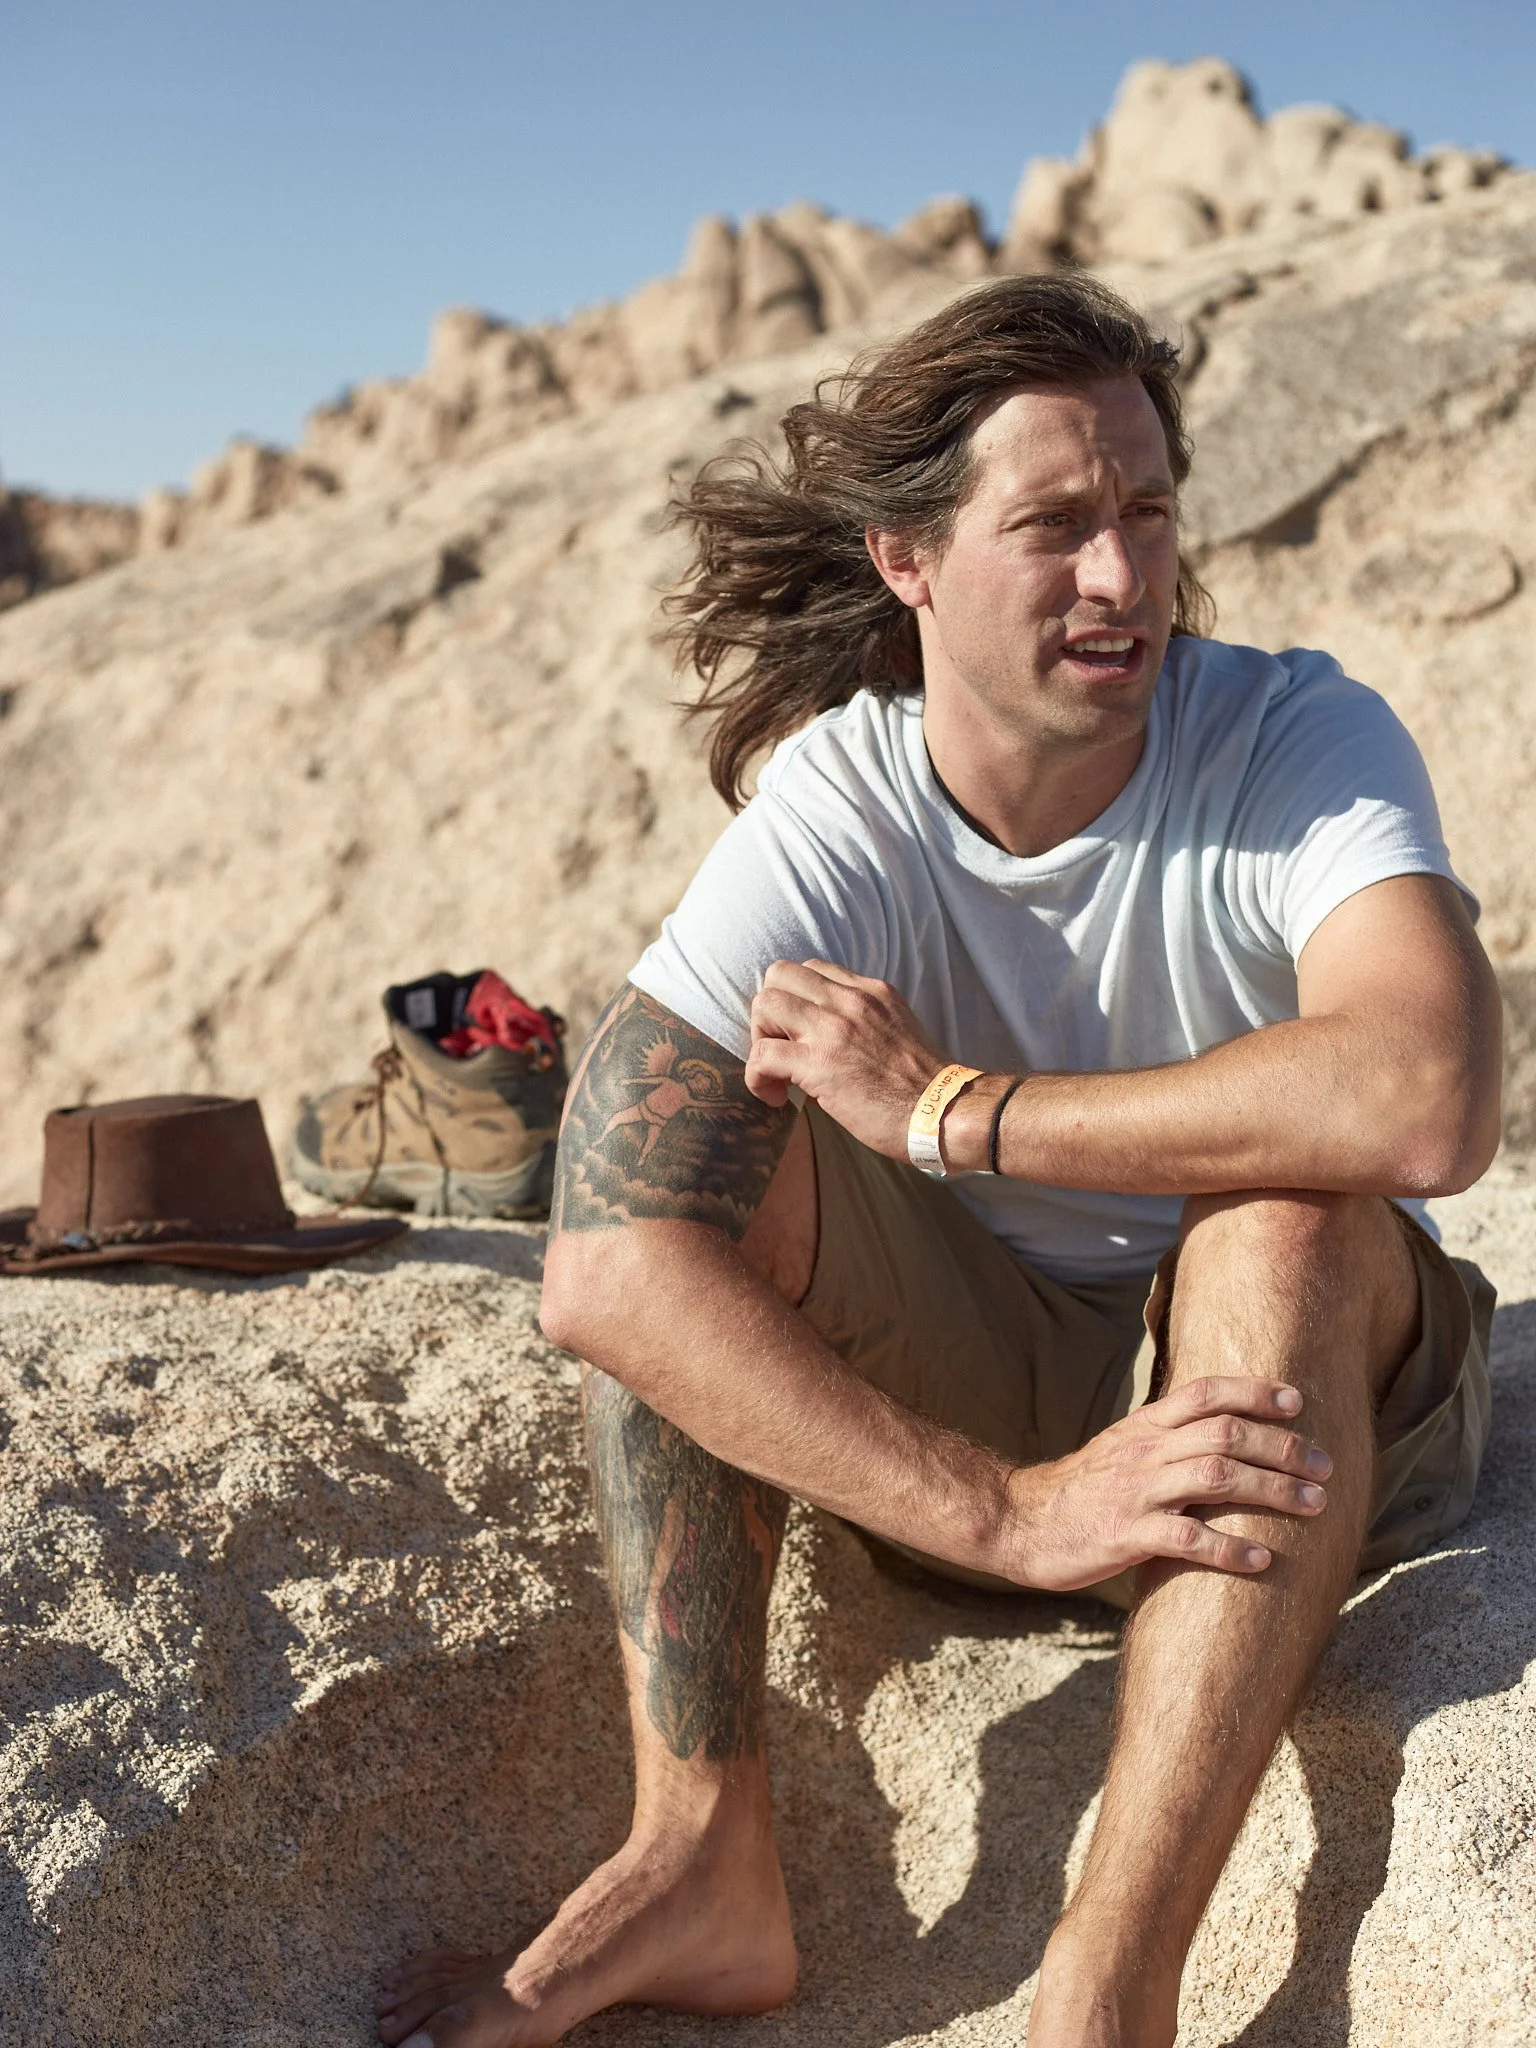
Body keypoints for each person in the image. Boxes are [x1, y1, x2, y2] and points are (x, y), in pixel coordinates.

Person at [374, 274, 1501, 2048]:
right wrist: (1012, 1509)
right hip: (999, 1410)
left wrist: (960, 1112)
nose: (1124, 579)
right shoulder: (842, 804)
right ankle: (702, 1855)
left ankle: (1104, 1989)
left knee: (1279, 1220)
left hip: (1317, 1390)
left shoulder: (1294, 736)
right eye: (1054, 527)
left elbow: (1428, 1094)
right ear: (910, 560)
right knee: (694, 1191)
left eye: (1147, 514)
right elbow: (603, 1262)